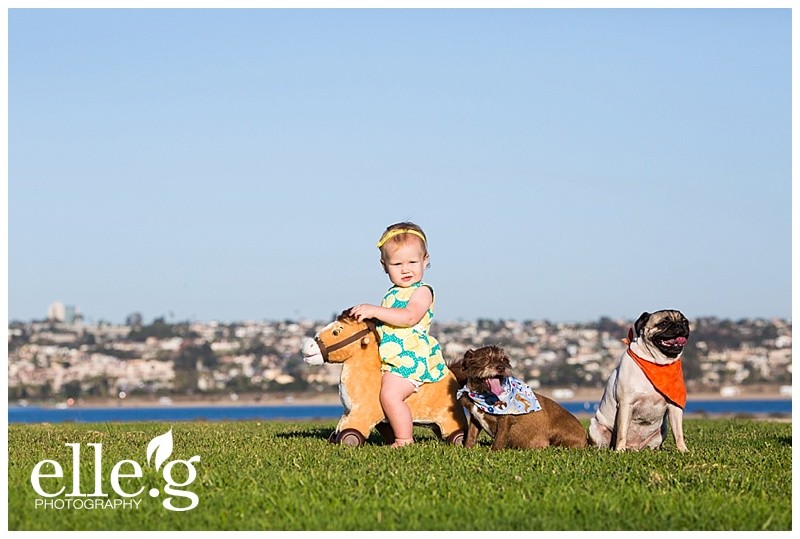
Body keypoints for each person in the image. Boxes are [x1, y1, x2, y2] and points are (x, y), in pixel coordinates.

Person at [349, 222, 447, 447]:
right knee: (371, 392)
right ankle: (382, 432)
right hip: (390, 359)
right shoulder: (392, 293)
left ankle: (404, 439)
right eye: (397, 263)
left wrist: (375, 310)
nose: (405, 269)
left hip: (410, 359)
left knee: (390, 395)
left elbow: (409, 317)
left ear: (425, 260)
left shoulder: (422, 291)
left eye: (412, 262)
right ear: (384, 265)